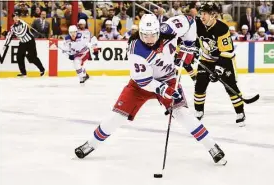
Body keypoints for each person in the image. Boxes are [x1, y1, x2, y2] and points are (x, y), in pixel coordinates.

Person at [74, 14, 226, 165]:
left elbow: (191, 21)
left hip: (168, 78)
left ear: (159, 31)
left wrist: (189, 45)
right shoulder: (135, 50)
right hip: (140, 86)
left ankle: (211, 146)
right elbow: (144, 81)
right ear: (140, 33)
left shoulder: (170, 28)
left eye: (153, 35)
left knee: (183, 113)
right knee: (117, 116)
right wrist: (162, 89)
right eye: (145, 36)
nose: (149, 39)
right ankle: (91, 144)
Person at [192, 3, 246, 127]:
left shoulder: (222, 28)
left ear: (213, 15)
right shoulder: (197, 24)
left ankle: (240, 112)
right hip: (205, 60)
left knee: (231, 87)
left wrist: (218, 70)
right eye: (201, 13)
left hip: (223, 60)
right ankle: (199, 111)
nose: (202, 16)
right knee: (199, 86)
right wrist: (194, 51)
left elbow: (227, 52)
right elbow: (195, 39)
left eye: (205, 13)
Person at [4, 12, 45, 77]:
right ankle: (23, 73)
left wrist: (15, 33)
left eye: (17, 16)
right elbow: (9, 35)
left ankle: (42, 69)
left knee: (32, 58)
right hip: (22, 42)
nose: (16, 18)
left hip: (30, 41)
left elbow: (22, 33)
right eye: (14, 17)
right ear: (13, 19)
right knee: (19, 57)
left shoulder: (23, 23)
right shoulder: (13, 27)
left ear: (19, 17)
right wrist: (6, 44)